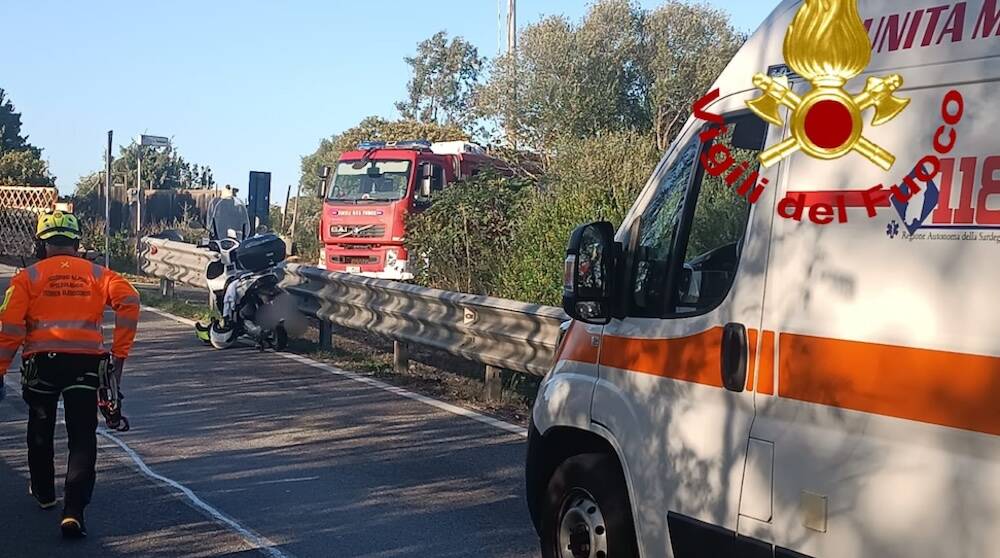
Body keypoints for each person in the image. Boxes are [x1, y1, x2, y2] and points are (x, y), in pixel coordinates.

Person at [0, 210, 140, 538]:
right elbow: (130, 299)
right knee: (82, 435)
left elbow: (9, 328)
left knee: (40, 425)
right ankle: (74, 511)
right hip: (85, 364)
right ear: (77, 244)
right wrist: (119, 356)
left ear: (41, 244)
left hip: (42, 364)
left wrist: (0, 368)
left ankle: (46, 494)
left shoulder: (27, 278)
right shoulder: (98, 273)